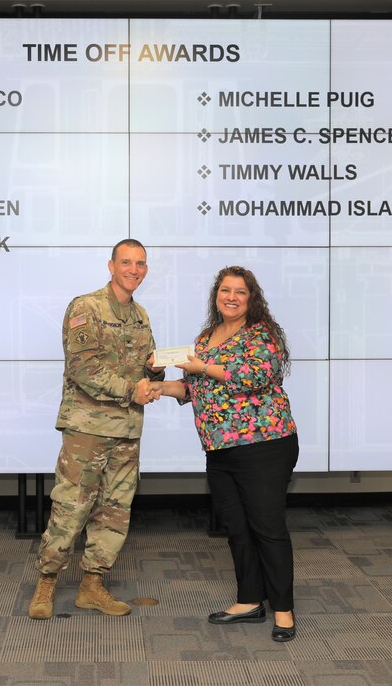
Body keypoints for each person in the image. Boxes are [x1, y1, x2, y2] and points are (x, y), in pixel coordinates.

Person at [154, 265, 299, 642]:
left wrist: (202, 366)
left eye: (239, 292)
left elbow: (254, 376)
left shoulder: (262, 335)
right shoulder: (206, 337)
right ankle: (250, 600)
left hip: (264, 446)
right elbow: (192, 388)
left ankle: (283, 611)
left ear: (252, 299)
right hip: (219, 448)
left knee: (267, 529)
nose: (231, 297)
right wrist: (156, 388)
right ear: (216, 296)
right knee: (237, 529)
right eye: (224, 291)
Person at [28, 239, 164, 620]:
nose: (133, 270)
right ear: (111, 265)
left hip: (126, 429)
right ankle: (46, 582)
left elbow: (144, 370)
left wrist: (156, 371)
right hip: (87, 429)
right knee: (71, 506)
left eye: (140, 264)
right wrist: (131, 389)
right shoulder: (85, 306)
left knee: (114, 511)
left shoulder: (141, 316)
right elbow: (83, 369)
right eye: (126, 262)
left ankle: (92, 585)